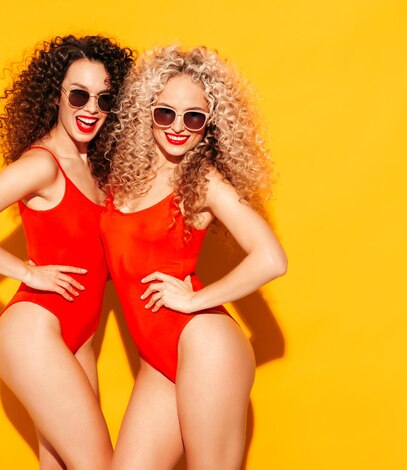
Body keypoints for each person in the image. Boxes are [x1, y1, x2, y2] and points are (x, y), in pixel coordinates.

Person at [0, 35, 133, 469]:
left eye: (103, 99)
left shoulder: (95, 169)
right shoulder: (43, 164)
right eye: (79, 95)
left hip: (80, 336)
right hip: (35, 331)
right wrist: (27, 272)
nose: (90, 110)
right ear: (55, 96)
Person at [100, 45, 287, 469]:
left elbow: (271, 258)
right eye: (165, 113)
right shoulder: (124, 177)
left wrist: (193, 300)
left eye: (194, 117)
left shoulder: (203, 181)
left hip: (205, 346)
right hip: (158, 359)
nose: (178, 127)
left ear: (209, 125)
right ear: (146, 112)